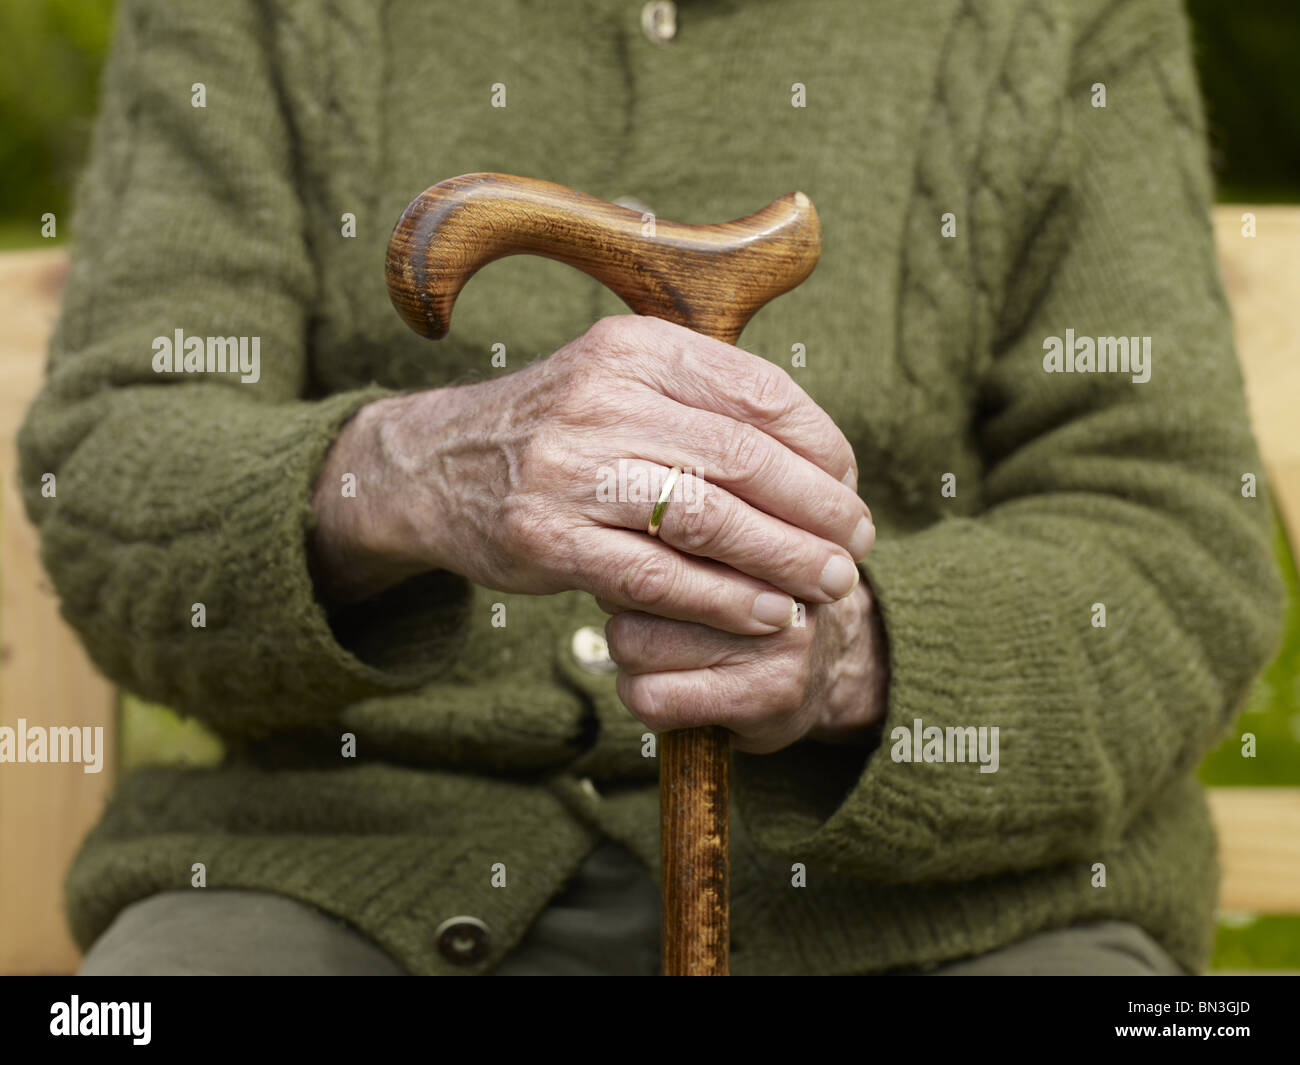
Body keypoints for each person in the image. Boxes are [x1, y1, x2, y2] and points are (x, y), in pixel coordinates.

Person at [20, 0, 1282, 976]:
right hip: (334, 877)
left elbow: (1175, 543)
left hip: (969, 911)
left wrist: (853, 653)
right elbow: (117, 467)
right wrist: (403, 476)